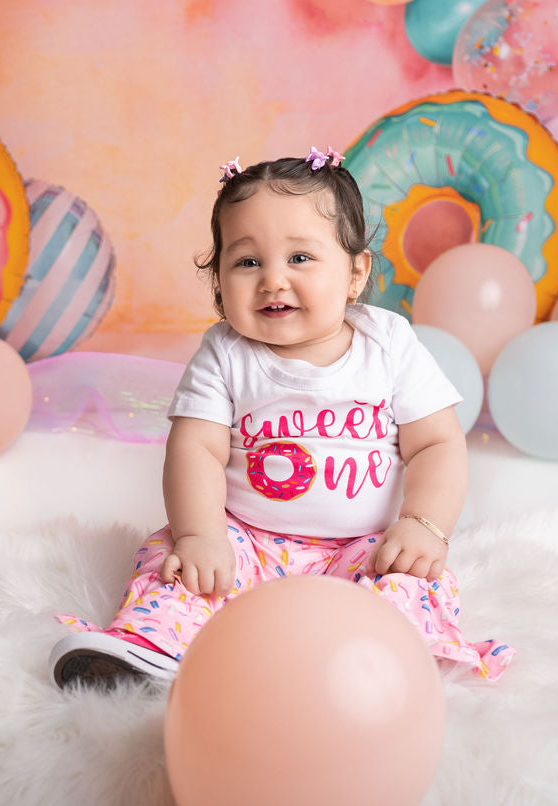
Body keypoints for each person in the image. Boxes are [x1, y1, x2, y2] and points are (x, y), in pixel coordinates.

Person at [49, 148, 513, 689]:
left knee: (409, 579)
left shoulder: (387, 343)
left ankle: (378, 655)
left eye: (299, 258)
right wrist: (201, 535)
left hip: (361, 545)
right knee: (170, 558)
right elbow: (196, 448)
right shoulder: (225, 352)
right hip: (246, 539)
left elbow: (436, 444)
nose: (272, 280)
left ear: (355, 274)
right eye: (247, 262)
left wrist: (423, 525)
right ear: (218, 280)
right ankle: (151, 651)